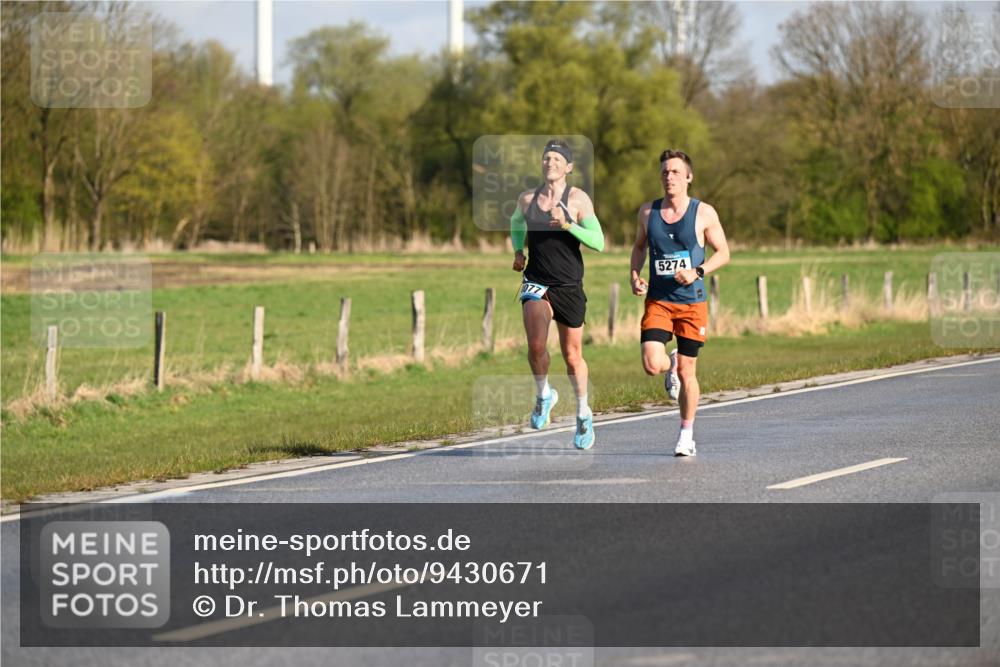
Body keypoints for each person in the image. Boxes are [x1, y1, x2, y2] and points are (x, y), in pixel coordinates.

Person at [630, 149, 730, 456]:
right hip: (659, 301)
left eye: (675, 172)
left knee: (688, 372)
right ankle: (668, 363)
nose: (669, 176)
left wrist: (697, 271)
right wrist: (634, 274)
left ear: (688, 177)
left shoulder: (704, 213)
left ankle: (686, 435)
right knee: (652, 364)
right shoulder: (647, 213)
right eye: (664, 172)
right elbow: (639, 247)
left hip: (692, 303)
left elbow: (723, 253)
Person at [511, 139, 605, 450]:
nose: (550, 163)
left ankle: (583, 413)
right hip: (537, 282)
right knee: (536, 345)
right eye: (546, 158)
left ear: (568, 167)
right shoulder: (528, 199)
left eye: (556, 159)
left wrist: (569, 225)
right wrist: (518, 251)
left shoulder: (578, 200)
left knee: (572, 356)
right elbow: (516, 222)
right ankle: (544, 396)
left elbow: (599, 242)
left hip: (569, 286)